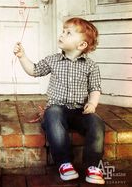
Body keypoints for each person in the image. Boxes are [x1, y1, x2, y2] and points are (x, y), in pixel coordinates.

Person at [13, 17, 105, 185]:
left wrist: (92, 105)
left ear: (82, 45)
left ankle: (93, 165)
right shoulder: (53, 60)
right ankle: (65, 163)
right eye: (63, 31)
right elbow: (34, 71)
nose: (62, 34)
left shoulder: (91, 66)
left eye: (68, 33)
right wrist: (22, 56)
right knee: (53, 114)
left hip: (80, 111)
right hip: (57, 109)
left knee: (97, 122)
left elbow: (95, 89)